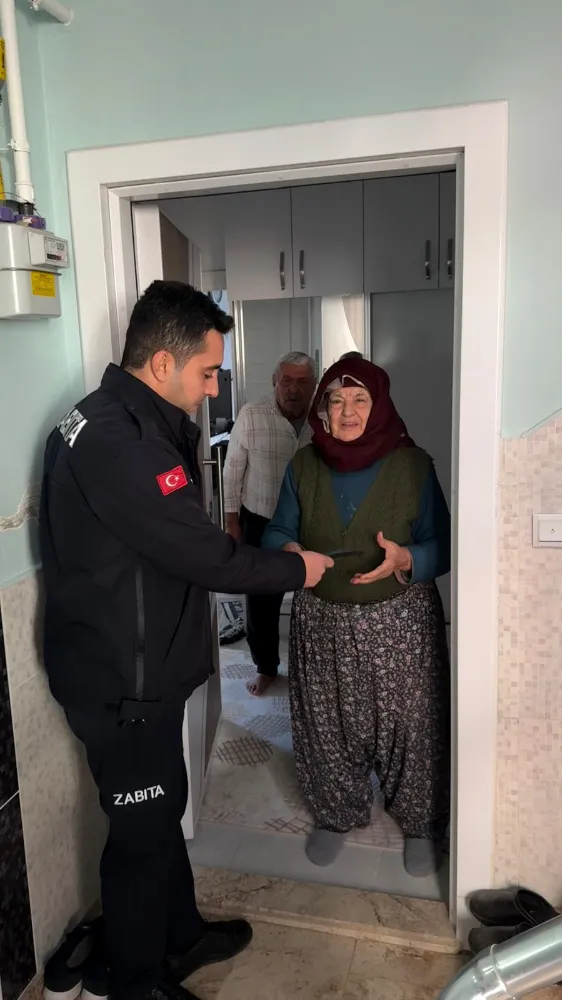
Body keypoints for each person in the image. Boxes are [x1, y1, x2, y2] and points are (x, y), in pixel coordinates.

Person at [39, 281, 333, 1000]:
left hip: (134, 668)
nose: (212, 389)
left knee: (159, 807)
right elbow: (207, 556)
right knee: (141, 833)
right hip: (121, 682)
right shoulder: (119, 442)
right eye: (207, 372)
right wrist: (296, 569)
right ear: (163, 362)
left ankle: (181, 935)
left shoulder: (114, 419)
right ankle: (136, 982)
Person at [262, 357, 451, 877]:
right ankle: (336, 811)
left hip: (401, 622)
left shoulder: (414, 467)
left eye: (360, 399)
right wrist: (289, 550)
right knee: (327, 723)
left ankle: (420, 822)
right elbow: (276, 531)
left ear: (380, 405)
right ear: (323, 408)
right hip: (320, 621)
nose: (347, 411)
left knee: (410, 724)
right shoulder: (303, 465)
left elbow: (444, 543)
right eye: (336, 400)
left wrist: (407, 558)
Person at [223, 351, 316, 696]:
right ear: (274, 382)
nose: (293, 389)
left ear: (314, 385)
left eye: (302, 382)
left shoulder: (323, 417)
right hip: (261, 519)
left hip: (311, 522)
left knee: (314, 598)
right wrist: (232, 523)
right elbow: (232, 472)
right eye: (286, 381)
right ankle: (266, 667)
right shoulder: (252, 415)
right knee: (262, 599)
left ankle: (313, 670)